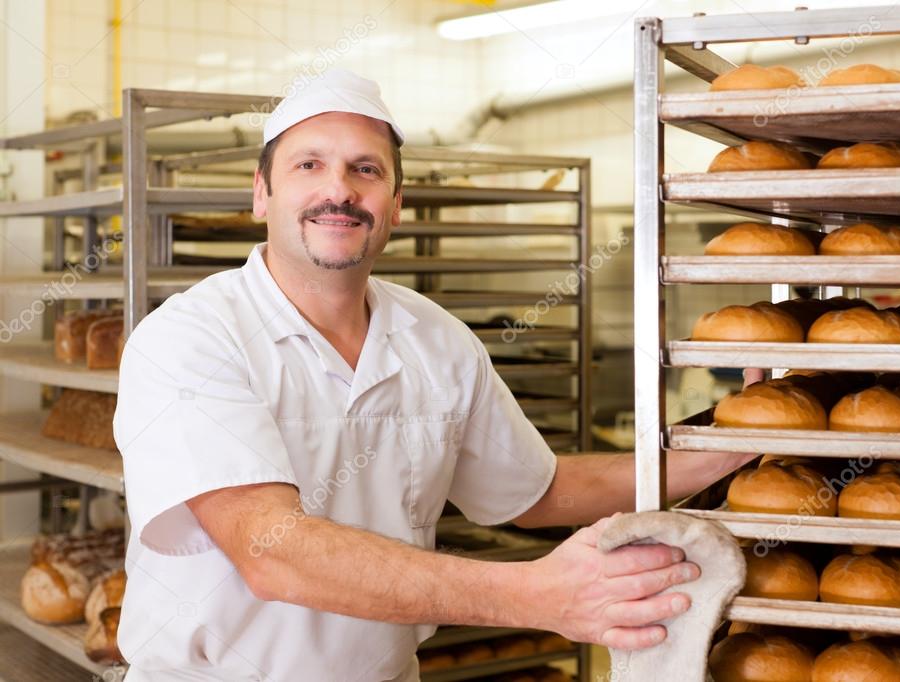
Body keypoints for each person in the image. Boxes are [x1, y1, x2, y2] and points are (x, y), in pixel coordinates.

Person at [113, 69, 756, 681]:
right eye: (308, 164)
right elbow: (270, 550)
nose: (338, 189)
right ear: (262, 193)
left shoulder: (435, 338)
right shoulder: (191, 337)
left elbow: (539, 493)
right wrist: (535, 594)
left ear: (395, 203)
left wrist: (720, 450)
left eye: (365, 169)